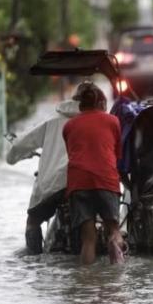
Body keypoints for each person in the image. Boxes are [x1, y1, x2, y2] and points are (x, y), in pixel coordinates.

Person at [62, 81, 126, 265]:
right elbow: (117, 155)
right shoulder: (113, 121)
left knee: (88, 239)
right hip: (105, 178)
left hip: (79, 181)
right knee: (113, 229)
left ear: (80, 104)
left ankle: (86, 283)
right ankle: (117, 265)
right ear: (101, 102)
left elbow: (72, 154)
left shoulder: (69, 126)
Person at [6, 100, 81, 254]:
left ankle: (34, 258)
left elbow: (20, 144)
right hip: (86, 182)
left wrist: (11, 158)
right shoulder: (96, 120)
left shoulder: (52, 122)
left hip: (54, 184)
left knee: (33, 221)